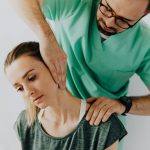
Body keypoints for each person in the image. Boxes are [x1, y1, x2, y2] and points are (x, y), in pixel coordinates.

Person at [10, 0, 150, 149]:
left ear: (145, 13)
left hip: (98, 126)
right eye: (107, 8)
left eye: (123, 20)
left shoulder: (145, 43)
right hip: (53, 119)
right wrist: (47, 37)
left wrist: (124, 105)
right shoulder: (75, 4)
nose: (109, 22)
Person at [4, 41, 127, 150]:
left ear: (55, 67)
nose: (28, 91)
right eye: (19, 88)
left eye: (31, 78)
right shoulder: (25, 123)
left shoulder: (103, 125)